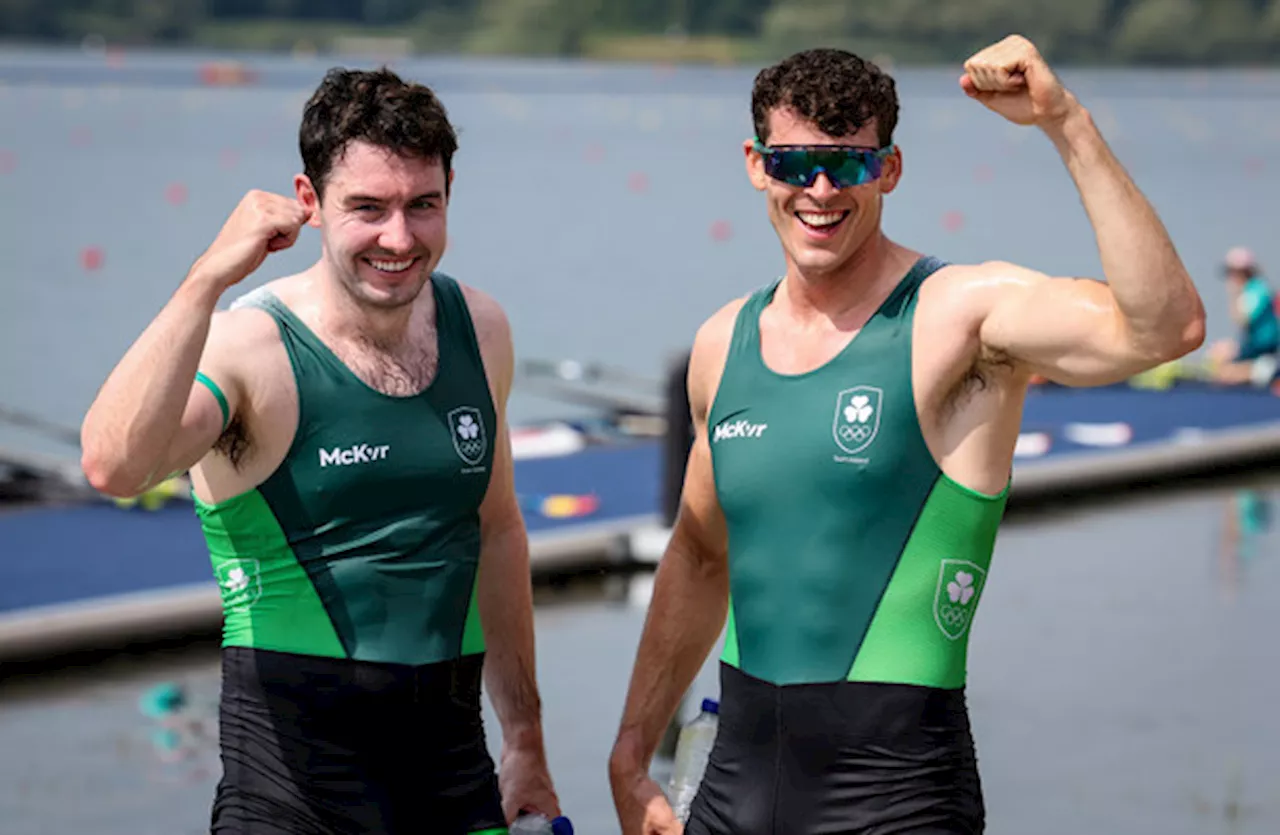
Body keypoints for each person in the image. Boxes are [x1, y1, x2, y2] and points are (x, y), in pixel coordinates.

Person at [608, 36, 1204, 835]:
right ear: (757, 165)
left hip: (895, 797)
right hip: (732, 788)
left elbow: (1166, 327)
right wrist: (630, 751)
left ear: (888, 170)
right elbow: (699, 554)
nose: (820, 189)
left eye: (849, 165)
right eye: (794, 165)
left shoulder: (959, 314)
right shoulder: (722, 343)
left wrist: (1066, 122)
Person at [80, 67, 560, 834]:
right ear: (309, 202)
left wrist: (526, 740)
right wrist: (205, 280)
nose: (398, 238)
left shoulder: (481, 327)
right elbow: (114, 466)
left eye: (422, 206)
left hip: (453, 778)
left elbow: (498, 530)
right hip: (292, 795)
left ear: (449, 194)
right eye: (367, 208)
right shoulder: (251, 347)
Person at [1208, 247, 1279, 387]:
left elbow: (1242, 320)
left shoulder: (1257, 290)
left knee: (1226, 373)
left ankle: (1265, 371)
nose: (1230, 278)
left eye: (1233, 273)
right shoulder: (1253, 289)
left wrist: (1234, 294)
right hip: (1255, 348)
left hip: (1264, 349)